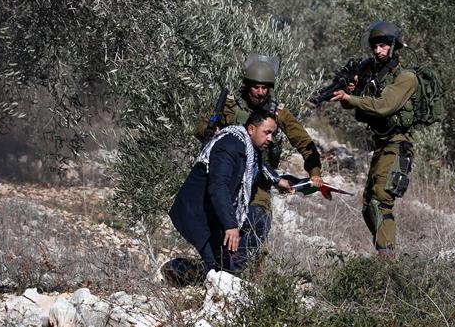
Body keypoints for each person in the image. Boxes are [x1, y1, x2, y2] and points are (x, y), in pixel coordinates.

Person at [194, 54, 323, 260]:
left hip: (260, 179)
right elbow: (201, 128)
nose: (261, 93)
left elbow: (304, 142)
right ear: (247, 86)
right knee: (220, 224)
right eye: (256, 87)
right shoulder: (229, 107)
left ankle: (253, 275)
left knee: (257, 225)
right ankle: (215, 269)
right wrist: (215, 131)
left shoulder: (278, 113)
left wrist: (314, 172)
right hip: (229, 175)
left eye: (265, 88)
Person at [329, 21, 419, 258]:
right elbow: (362, 111)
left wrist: (352, 99)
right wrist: (352, 92)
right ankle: (384, 252)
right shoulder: (375, 75)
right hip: (382, 144)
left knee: (381, 201)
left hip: (398, 144)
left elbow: (383, 106)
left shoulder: (406, 78)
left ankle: (386, 262)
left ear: (393, 47)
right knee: (369, 204)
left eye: (382, 46)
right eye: (374, 47)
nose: (377, 51)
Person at [169, 110, 292, 274]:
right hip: (197, 213)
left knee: (225, 267)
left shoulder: (248, 148)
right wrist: (230, 225)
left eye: (272, 133)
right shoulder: (229, 146)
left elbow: (259, 165)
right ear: (251, 129)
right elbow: (218, 186)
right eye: (267, 132)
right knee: (219, 270)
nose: (270, 138)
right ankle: (174, 270)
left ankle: (210, 274)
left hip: (213, 215)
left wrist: (278, 180)